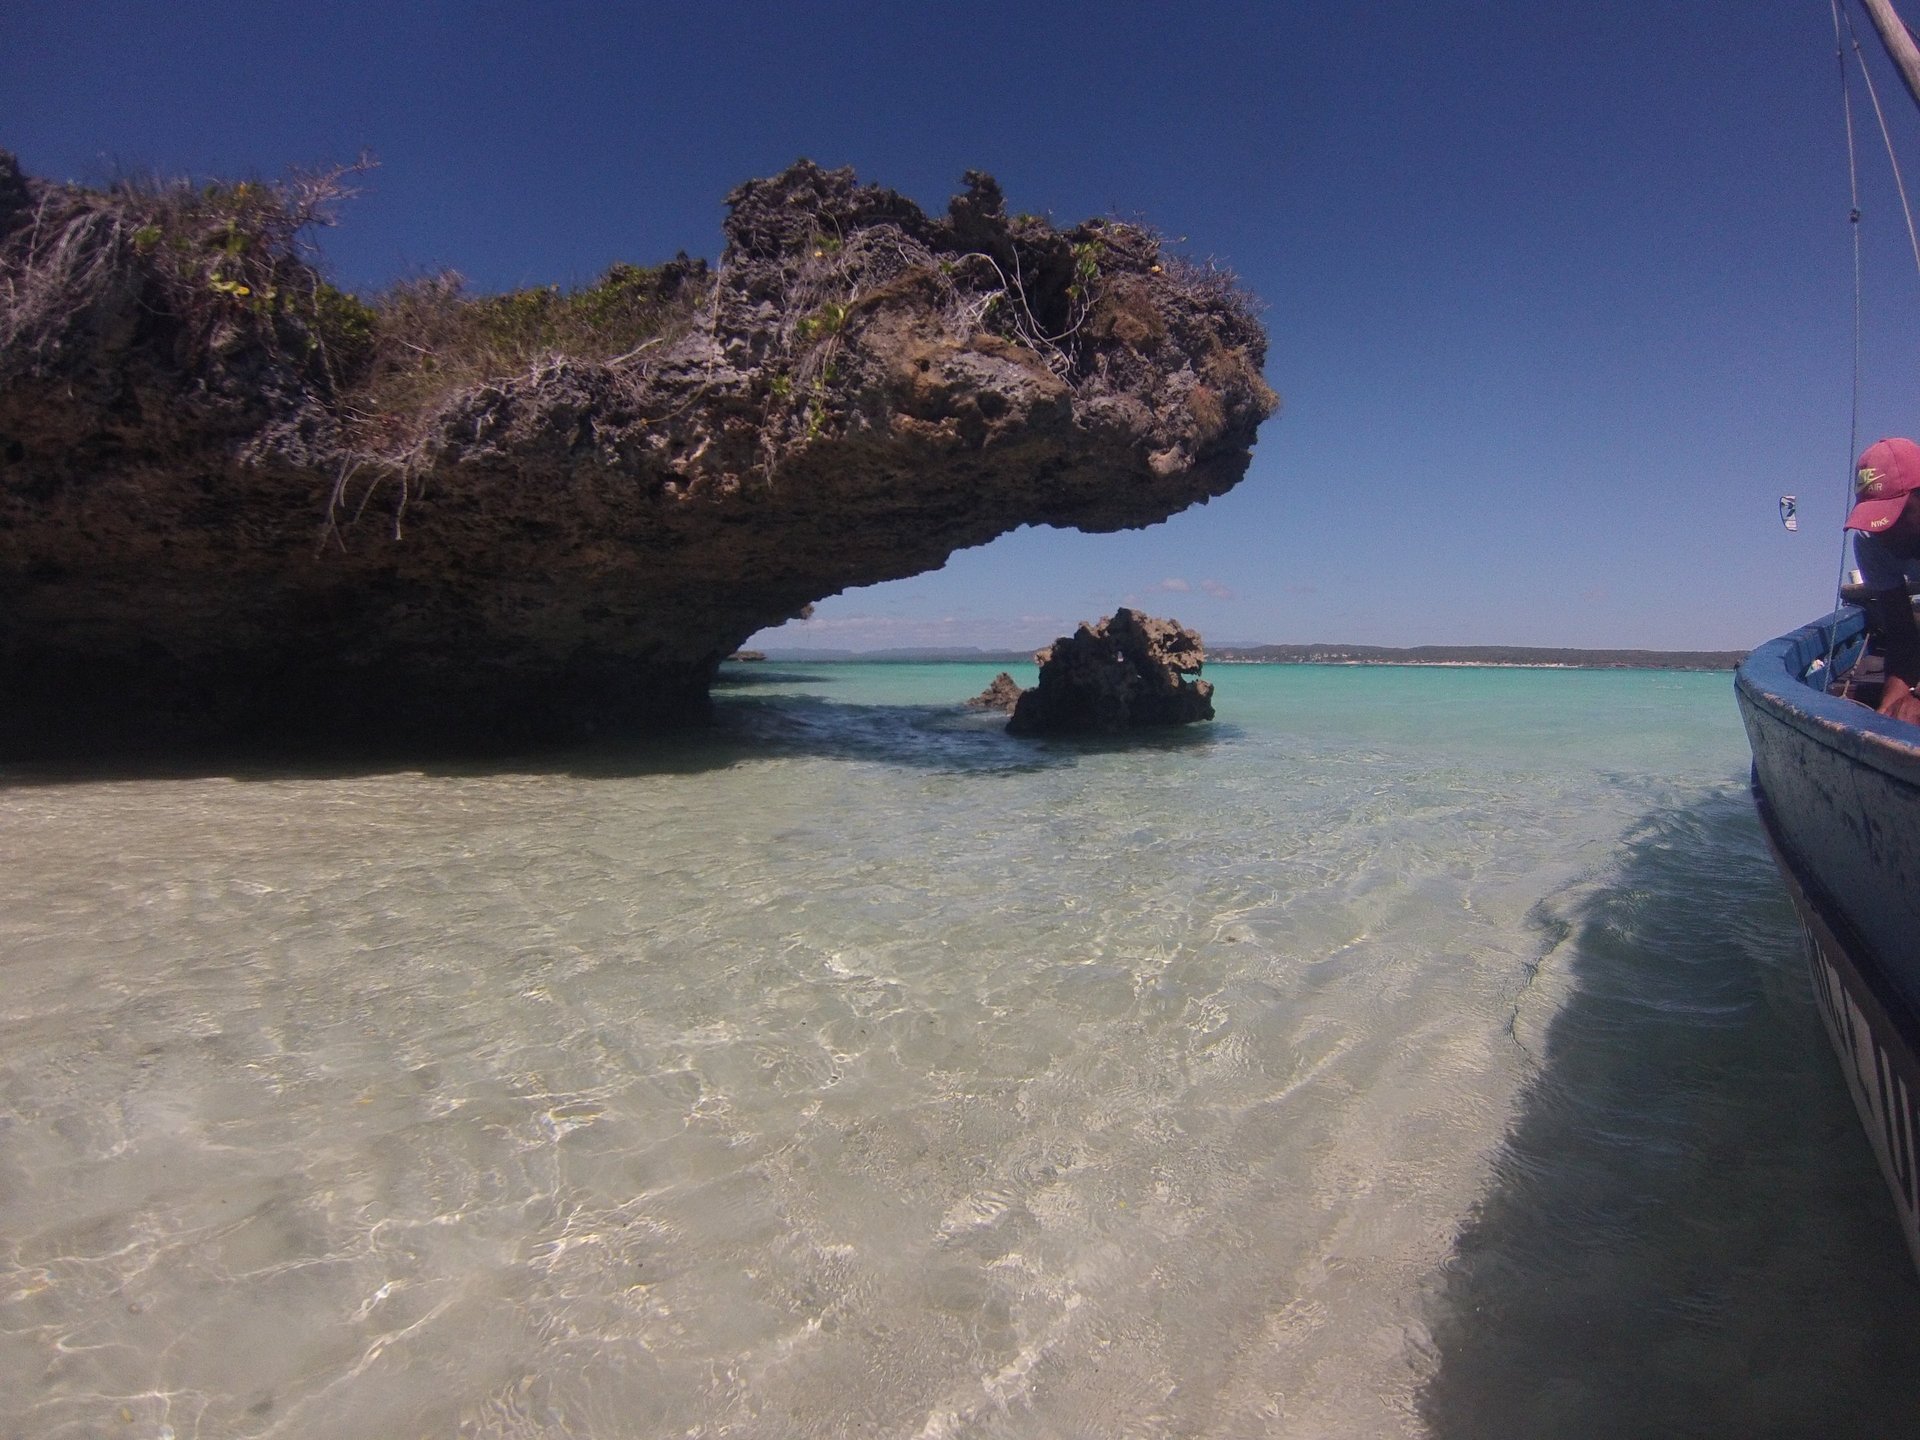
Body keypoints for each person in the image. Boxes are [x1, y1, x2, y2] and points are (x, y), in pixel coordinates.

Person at [1846, 436, 1920, 724]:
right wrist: (1889, 708)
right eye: (1874, 518)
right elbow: (1901, 634)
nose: (1883, 533)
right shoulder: (1870, 541)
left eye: (1893, 516)